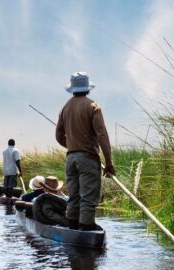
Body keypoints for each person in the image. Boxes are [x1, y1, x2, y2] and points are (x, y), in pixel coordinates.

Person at [55, 72, 115, 231]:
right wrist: (109, 163)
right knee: (88, 198)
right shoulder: (93, 106)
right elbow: (102, 135)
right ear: (87, 88)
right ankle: (86, 228)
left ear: (73, 89)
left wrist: (73, 147)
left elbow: (58, 136)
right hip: (88, 159)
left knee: (74, 197)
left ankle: (72, 228)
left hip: (71, 159)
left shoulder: (65, 108)